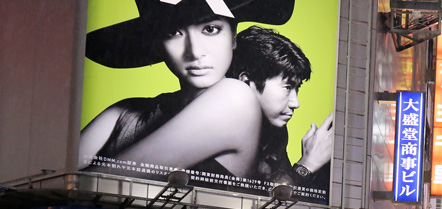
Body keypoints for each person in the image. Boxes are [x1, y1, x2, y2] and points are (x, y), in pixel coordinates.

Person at [79, 0, 295, 178]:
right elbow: (57, 178)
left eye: (210, 29)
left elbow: (94, 184)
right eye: (173, 32)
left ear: (233, 38)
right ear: (158, 44)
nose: (194, 52)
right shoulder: (126, 112)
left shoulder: (236, 98)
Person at [231, 26, 332, 188]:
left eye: (297, 89)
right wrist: (307, 165)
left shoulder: (274, 133)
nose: (295, 103)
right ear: (247, 83)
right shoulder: (214, 126)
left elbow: (279, 198)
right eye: (287, 87)